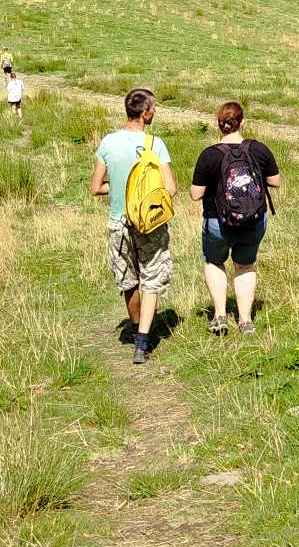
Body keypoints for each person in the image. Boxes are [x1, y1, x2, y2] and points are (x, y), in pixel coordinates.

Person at [90, 88, 176, 365]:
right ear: (145, 112)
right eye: (154, 108)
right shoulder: (155, 144)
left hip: (118, 221)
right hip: (150, 223)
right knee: (151, 278)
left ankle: (136, 323)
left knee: (128, 279)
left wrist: (120, 188)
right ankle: (142, 340)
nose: (155, 112)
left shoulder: (108, 142)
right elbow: (171, 188)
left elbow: (95, 187)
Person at [190, 102, 281, 336]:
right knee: (245, 265)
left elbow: (195, 194)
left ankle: (220, 315)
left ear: (219, 126)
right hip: (253, 219)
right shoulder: (258, 149)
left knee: (214, 261)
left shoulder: (209, 155)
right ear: (243, 123)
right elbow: (275, 181)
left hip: (217, 222)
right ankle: (246, 320)